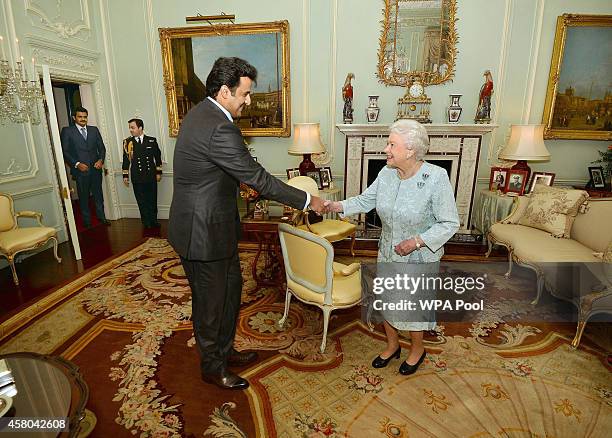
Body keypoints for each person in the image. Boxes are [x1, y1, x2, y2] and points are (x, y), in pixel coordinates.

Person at [168, 57, 325, 390]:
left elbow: (209, 168)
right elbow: (258, 177)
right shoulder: (218, 125)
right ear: (225, 91)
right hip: (203, 233)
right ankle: (212, 367)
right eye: (245, 93)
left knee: (230, 293)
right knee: (210, 305)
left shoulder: (201, 114)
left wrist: (238, 183)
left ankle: (224, 352)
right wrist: (309, 200)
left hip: (212, 226)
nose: (249, 100)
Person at [325, 119, 459, 375]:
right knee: (387, 300)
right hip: (388, 250)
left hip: (420, 256)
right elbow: (365, 200)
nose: (385, 149)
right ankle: (392, 345)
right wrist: (334, 206)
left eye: (391, 144)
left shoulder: (436, 177)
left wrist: (417, 241)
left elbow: (450, 222)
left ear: (410, 150)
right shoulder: (386, 174)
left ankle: (417, 349)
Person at [61, 106, 110, 229]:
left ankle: (102, 217)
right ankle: (87, 222)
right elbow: (65, 151)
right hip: (81, 172)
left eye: (85, 117)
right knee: (83, 197)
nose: (83, 119)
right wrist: (77, 164)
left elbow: (102, 148)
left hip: (96, 170)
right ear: (74, 118)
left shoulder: (94, 130)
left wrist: (101, 160)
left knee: (98, 194)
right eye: (80, 117)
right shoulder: (67, 131)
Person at [122, 118, 162, 228]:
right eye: (130, 127)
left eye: (133, 127)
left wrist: (159, 172)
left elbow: (157, 157)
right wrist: (125, 175)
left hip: (150, 175)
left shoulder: (151, 141)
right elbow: (126, 160)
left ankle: (154, 220)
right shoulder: (127, 142)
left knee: (152, 199)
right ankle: (146, 222)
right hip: (137, 176)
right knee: (141, 201)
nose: (130, 130)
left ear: (140, 128)